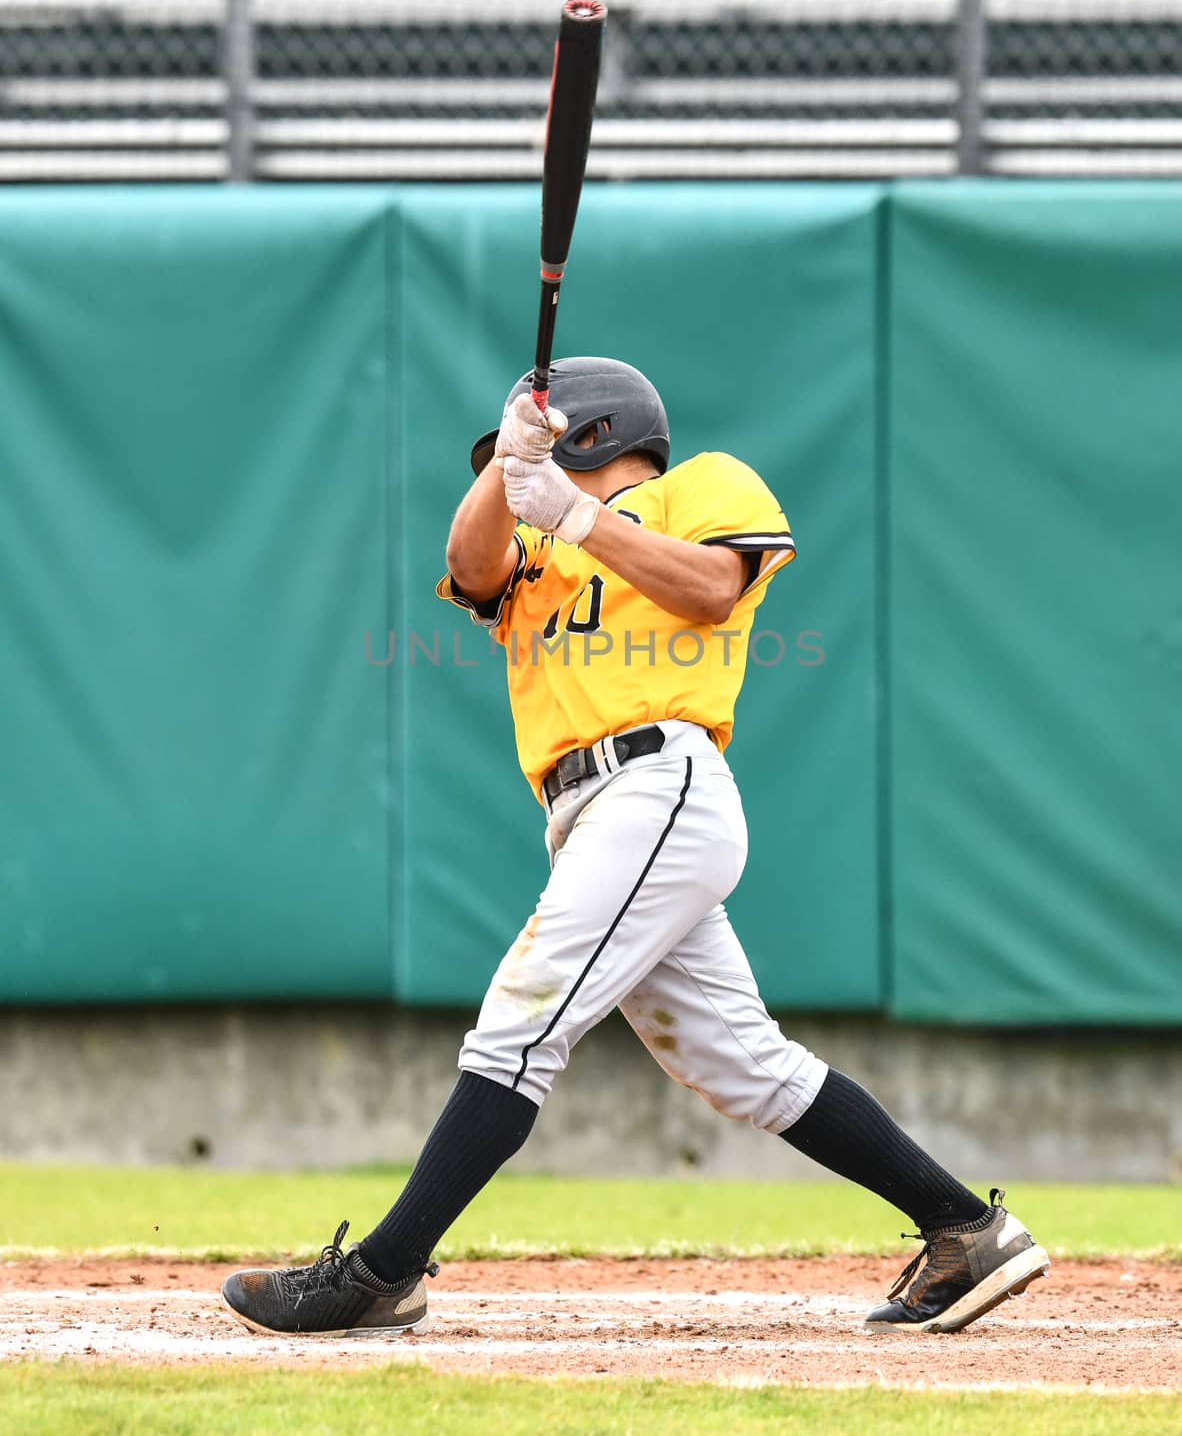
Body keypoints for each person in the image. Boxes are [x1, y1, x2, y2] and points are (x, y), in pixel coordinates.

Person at [222, 357, 1048, 1338]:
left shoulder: (704, 485)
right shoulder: (532, 549)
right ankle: (965, 1228)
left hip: (659, 783)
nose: (525, 485)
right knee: (744, 1063)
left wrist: (574, 514)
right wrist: (509, 466)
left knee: (517, 1027)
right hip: (587, 812)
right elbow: (472, 564)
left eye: (543, 454)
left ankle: (381, 1271)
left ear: (599, 438)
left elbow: (710, 588)